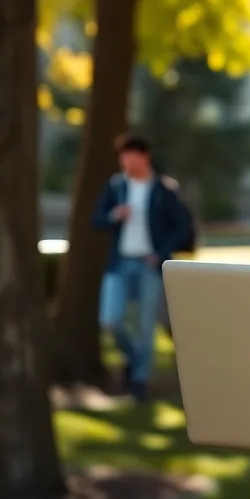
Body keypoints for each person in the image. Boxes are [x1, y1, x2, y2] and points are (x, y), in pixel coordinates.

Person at [92, 133, 190, 402]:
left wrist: (159, 254)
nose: (125, 161)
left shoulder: (162, 190)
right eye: (122, 156)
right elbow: (96, 219)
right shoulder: (116, 187)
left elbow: (182, 228)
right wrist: (115, 215)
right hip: (120, 263)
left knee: (145, 326)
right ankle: (134, 360)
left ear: (144, 156)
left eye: (130, 155)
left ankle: (139, 382)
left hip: (148, 266)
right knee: (111, 320)